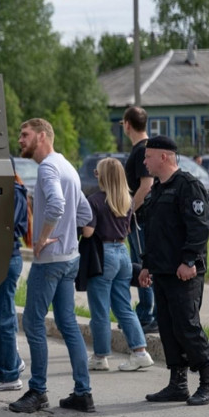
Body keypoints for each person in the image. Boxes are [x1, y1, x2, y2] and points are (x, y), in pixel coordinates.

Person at [8, 118, 94, 414]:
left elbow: (57, 206)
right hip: (70, 258)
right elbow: (85, 211)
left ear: (42, 136)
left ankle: (38, 391)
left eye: (25, 134)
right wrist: (71, 237)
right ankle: (83, 393)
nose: (20, 139)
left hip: (51, 261)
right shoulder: (67, 165)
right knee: (68, 324)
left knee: (33, 323)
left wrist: (42, 240)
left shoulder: (46, 168)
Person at [138, 135, 209, 405]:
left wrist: (189, 261)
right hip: (162, 271)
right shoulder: (159, 190)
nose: (144, 161)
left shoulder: (187, 186)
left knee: (187, 326)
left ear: (164, 157)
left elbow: (199, 227)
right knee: (168, 328)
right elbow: (154, 232)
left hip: (184, 272)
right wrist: (146, 264)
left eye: (148, 156)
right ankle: (178, 383)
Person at [83, 158, 154, 372]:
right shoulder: (128, 199)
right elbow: (130, 230)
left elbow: (88, 232)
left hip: (104, 256)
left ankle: (100, 356)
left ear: (101, 176)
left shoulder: (94, 200)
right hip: (123, 253)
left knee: (100, 310)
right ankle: (140, 352)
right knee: (124, 306)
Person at [0, 166, 31, 391]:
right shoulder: (11, 189)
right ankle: (11, 364)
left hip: (4, 258)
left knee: (1, 318)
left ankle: (8, 374)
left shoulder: (12, 190)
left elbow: (8, 226)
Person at [122, 106, 158, 333]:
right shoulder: (146, 148)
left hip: (141, 218)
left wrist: (128, 213)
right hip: (142, 217)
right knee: (140, 266)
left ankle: (147, 312)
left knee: (143, 266)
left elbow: (146, 186)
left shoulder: (141, 150)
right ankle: (146, 310)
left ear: (127, 124)